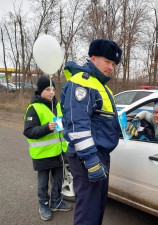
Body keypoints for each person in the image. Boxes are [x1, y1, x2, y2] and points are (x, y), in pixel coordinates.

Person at [60, 38, 122, 225]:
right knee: (87, 213)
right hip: (86, 158)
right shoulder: (81, 83)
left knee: (97, 209)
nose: (111, 67)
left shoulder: (101, 86)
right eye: (107, 61)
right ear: (93, 58)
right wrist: (91, 161)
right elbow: (77, 125)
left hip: (99, 156)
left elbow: (103, 122)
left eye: (113, 63)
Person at [23, 76, 72, 221]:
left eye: (53, 89)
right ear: (40, 91)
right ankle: (44, 204)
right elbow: (28, 131)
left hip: (59, 152)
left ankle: (56, 202)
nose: (51, 93)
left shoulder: (57, 105)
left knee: (58, 179)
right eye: (47, 89)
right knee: (43, 182)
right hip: (42, 154)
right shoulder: (34, 108)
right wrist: (46, 128)